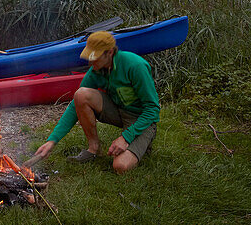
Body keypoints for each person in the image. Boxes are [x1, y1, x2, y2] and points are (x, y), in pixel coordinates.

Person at [30, 30, 159, 173]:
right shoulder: (96, 70)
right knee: (81, 94)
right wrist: (52, 141)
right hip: (118, 111)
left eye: (95, 58)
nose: (90, 62)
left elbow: (152, 109)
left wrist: (126, 137)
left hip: (141, 118)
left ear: (109, 53)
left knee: (120, 167)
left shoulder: (135, 66)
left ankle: (143, 142)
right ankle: (94, 149)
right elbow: (75, 105)